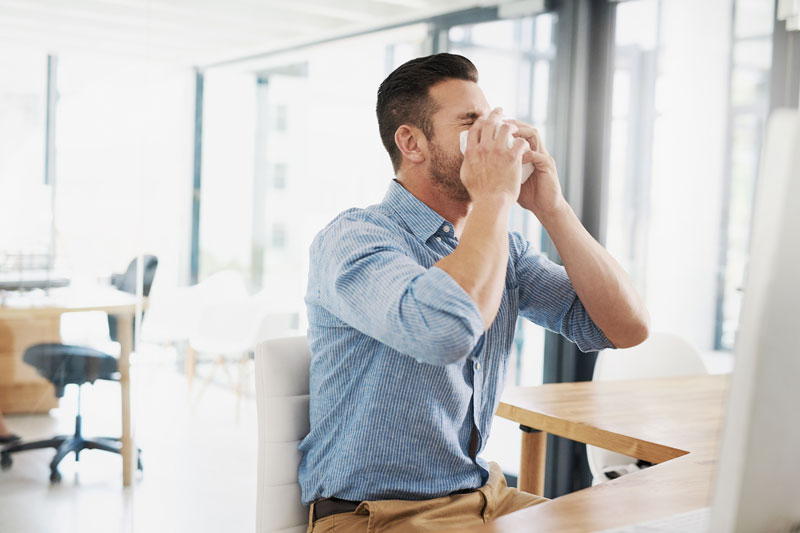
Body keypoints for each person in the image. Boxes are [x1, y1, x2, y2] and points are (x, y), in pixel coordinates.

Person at [299, 53, 650, 532]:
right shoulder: (356, 237)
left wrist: (553, 208)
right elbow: (445, 331)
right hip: (378, 518)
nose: (492, 140)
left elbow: (625, 327)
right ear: (412, 143)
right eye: (471, 125)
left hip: (485, 498)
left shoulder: (501, 247)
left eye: (491, 123)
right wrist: (494, 197)